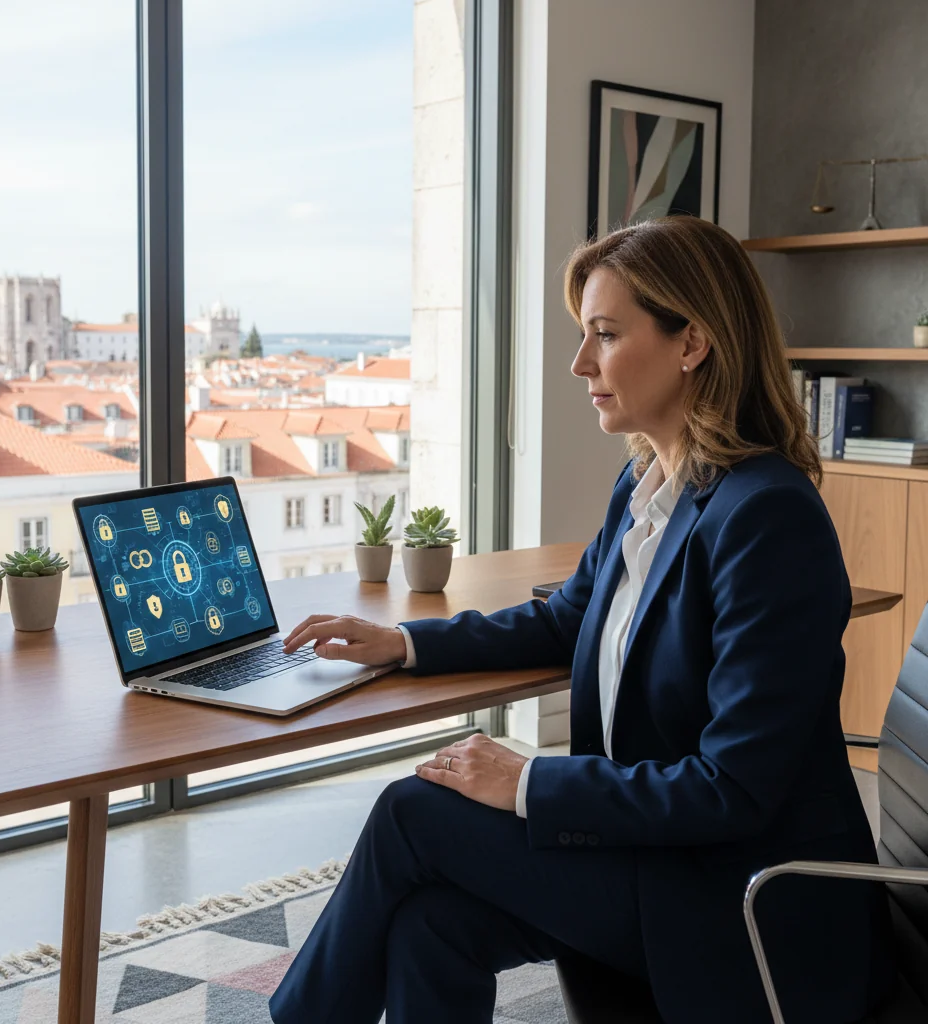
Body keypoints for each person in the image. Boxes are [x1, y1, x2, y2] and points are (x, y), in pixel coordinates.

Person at [268, 216, 894, 1024]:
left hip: (740, 897)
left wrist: (525, 780)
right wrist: (405, 643)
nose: (579, 364)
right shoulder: (648, 488)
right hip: (662, 859)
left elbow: (732, 789)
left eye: (604, 334)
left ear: (692, 342)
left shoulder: (768, 517)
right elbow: (567, 622)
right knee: (430, 924)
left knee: (410, 811)